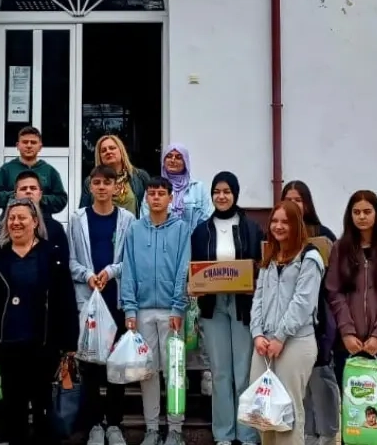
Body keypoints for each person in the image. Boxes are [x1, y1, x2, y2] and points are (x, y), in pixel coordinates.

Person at [0, 197, 79, 445]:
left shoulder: (51, 255)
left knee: (43, 404)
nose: (16, 222)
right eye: (11, 218)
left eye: (22, 217)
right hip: (9, 344)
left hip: (44, 344)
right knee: (13, 405)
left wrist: (69, 344)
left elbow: (65, 300)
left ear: (34, 221)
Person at [325, 190, 377, 445]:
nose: (362, 217)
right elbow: (333, 292)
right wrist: (347, 332)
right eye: (356, 212)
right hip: (349, 346)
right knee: (355, 410)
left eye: (367, 212)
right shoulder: (340, 249)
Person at [189, 171, 261, 445]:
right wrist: (193, 284)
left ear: (235, 194)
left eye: (226, 191)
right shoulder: (201, 230)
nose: (221, 196)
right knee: (220, 371)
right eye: (217, 192)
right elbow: (194, 268)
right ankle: (223, 434)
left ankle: (247, 434)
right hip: (213, 306)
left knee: (243, 372)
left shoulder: (251, 228)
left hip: (243, 305)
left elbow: (259, 265)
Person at [120, 176, 192, 445]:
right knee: (146, 372)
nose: (157, 198)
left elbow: (184, 268)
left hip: (172, 312)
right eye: (152, 193)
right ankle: (152, 428)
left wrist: (178, 306)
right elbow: (128, 269)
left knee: (174, 371)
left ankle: (174, 429)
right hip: (142, 311)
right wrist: (129, 309)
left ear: (171, 198)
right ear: (146, 198)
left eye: (162, 193)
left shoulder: (182, 229)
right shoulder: (135, 230)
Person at [68, 165, 137, 445]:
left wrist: (110, 271)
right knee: (91, 367)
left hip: (116, 300)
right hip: (89, 302)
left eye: (107, 182)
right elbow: (72, 262)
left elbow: (131, 261)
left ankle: (115, 424)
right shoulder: (77, 219)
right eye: (96, 183)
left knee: (116, 367)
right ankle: (95, 423)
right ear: (90, 187)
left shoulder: (128, 219)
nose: (101, 187)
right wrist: (87, 275)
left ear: (116, 187)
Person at [248, 201, 324, 445]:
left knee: (288, 409)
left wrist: (280, 337)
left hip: (296, 342)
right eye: (274, 221)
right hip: (264, 343)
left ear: (296, 225)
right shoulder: (270, 256)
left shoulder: (309, 257)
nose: (278, 226)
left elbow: (303, 303)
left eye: (285, 222)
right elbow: (258, 298)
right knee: (262, 409)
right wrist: (257, 333)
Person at [281, 181, 338, 445]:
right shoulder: (279, 236)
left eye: (299, 199)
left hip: (320, 317)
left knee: (321, 378)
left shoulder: (323, 236)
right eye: (288, 199)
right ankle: (306, 435)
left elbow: (336, 280)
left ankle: (327, 434)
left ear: (308, 203)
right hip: (289, 320)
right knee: (299, 381)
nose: (294, 204)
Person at [0, 126, 68, 217]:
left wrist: (40, 198)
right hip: (13, 223)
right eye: (25, 142)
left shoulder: (50, 171)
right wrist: (16, 196)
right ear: (18, 145)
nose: (29, 145)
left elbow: (61, 200)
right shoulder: (6, 170)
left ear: (40, 147)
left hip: (43, 225)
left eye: (33, 142)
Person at [140, 143, 214, 231]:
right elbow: (145, 218)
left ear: (185, 161)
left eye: (178, 157)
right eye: (169, 156)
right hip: (160, 241)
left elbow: (206, 218)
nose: (173, 160)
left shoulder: (198, 188)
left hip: (192, 242)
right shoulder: (154, 188)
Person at [78, 135, 150, 216]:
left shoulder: (140, 176)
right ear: (100, 156)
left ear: (121, 151)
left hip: (132, 228)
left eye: (112, 148)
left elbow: (150, 208)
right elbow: (82, 214)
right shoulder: (91, 181)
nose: (108, 152)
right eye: (103, 150)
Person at [13, 169, 70, 258]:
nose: (28, 191)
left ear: (40, 194)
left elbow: (63, 266)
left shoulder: (55, 229)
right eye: (23, 188)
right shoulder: (4, 229)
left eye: (33, 188)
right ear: (15, 195)